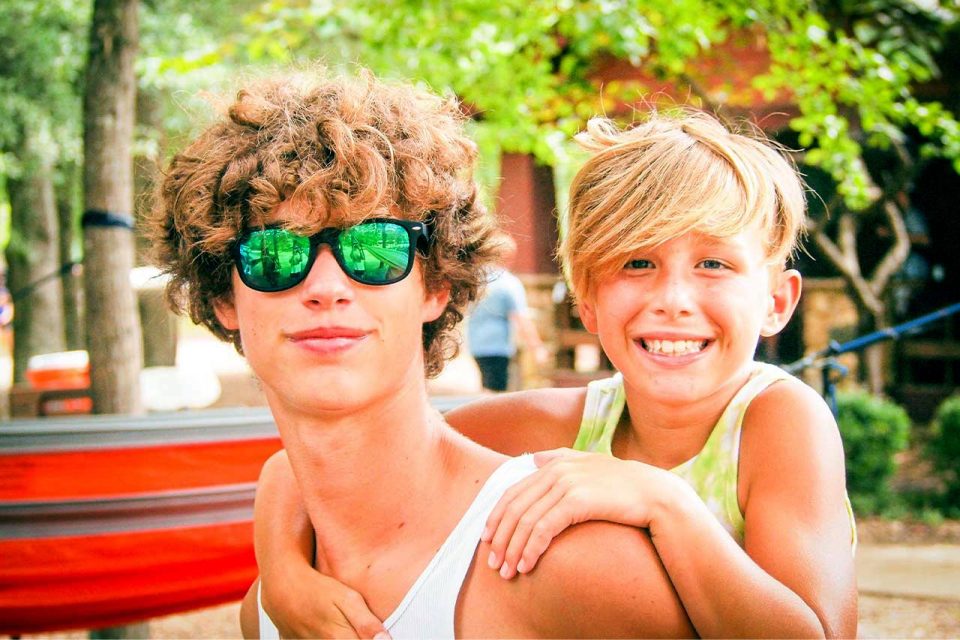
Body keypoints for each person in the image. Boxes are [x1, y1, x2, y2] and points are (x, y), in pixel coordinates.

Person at [253, 109, 859, 639]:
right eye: (638, 262)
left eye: (714, 263)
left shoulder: (779, 419)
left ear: (778, 300)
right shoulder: (559, 423)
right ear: (587, 300)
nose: (673, 298)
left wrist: (665, 503)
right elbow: (320, 462)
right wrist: (281, 576)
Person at [148, 70, 693, 639]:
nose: (327, 286)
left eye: (375, 247)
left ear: (435, 285)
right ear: (222, 296)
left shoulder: (572, 561)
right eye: (276, 252)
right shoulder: (268, 611)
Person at [467, 232, 549, 391]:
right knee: (496, 391)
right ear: (508, 256)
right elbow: (521, 319)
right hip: (498, 346)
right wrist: (537, 348)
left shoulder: (475, 280)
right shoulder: (509, 283)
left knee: (486, 386)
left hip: (476, 344)